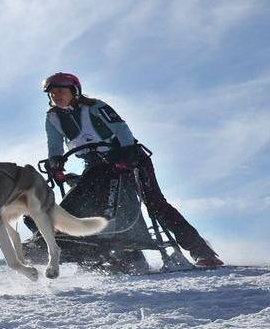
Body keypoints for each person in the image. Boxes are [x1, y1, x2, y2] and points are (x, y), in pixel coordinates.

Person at [42, 72, 222, 268]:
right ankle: (120, 256)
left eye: (60, 91)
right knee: (96, 204)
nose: (56, 96)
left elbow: (121, 129)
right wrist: (56, 165)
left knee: (155, 204)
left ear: (74, 91)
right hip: (97, 166)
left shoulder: (94, 107)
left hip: (130, 158)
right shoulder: (53, 118)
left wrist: (127, 156)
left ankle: (202, 252)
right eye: (52, 93)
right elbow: (55, 146)